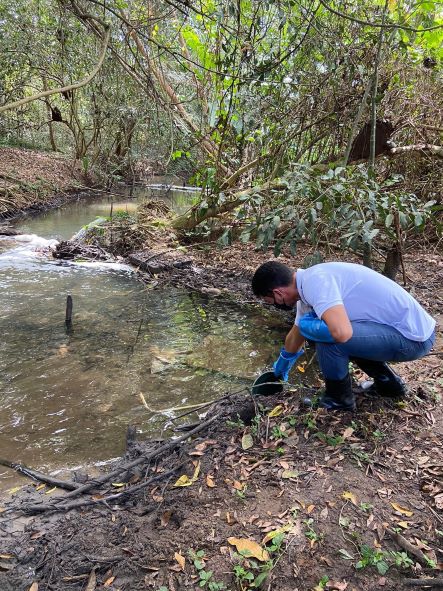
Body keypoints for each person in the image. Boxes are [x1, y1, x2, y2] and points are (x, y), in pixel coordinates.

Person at [251, 260, 436, 411]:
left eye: (271, 301)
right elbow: (295, 336)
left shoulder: (316, 282)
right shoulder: (307, 289)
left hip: (412, 339)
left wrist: (315, 331)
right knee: (331, 330)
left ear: (278, 292)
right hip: (404, 332)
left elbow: (342, 333)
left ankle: (338, 400)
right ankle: (389, 385)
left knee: (331, 337)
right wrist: (280, 368)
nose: (275, 305)